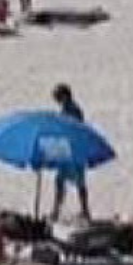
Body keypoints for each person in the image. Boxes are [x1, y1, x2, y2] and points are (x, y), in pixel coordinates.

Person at [50, 84, 90, 222]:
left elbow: (73, 129)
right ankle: (59, 210)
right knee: (62, 181)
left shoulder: (73, 110)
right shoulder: (68, 110)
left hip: (74, 151)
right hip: (69, 151)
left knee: (76, 183)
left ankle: (83, 210)